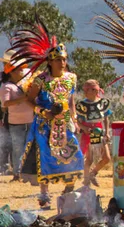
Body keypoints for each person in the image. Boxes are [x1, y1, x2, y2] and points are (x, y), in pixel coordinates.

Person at [10, 19, 84, 209]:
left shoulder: (71, 78)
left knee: (74, 155)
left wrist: (75, 119)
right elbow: (29, 99)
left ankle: (68, 191)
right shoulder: (40, 80)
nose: (63, 62)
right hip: (44, 125)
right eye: (59, 60)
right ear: (50, 62)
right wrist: (43, 111)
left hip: (65, 123)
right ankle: (44, 197)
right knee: (45, 158)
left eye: (64, 59)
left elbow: (71, 100)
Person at [0, 50, 34, 182]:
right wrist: (23, 99)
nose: (22, 71)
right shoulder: (6, 86)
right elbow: (5, 104)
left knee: (28, 147)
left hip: (30, 120)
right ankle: (17, 173)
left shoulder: (25, 81)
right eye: (19, 69)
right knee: (18, 148)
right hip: (16, 122)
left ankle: (27, 172)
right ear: (12, 72)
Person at [75, 80, 112, 187]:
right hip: (88, 132)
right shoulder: (82, 105)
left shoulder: (102, 103)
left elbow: (105, 118)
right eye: (88, 89)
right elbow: (78, 121)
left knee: (106, 158)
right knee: (89, 159)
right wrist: (84, 128)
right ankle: (86, 181)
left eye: (93, 89)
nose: (90, 91)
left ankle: (93, 173)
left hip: (99, 130)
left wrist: (107, 132)